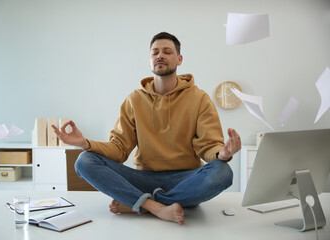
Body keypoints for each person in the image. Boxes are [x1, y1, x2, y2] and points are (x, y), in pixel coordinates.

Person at [52, 32, 241, 225]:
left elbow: (209, 146)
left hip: (185, 179)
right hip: (142, 178)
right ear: (150, 60)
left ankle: (141, 203)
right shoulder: (134, 100)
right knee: (85, 160)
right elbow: (119, 149)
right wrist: (85, 143)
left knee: (223, 171)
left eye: (167, 51)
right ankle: (158, 207)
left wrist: (222, 154)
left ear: (179, 59)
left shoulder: (200, 99)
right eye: (155, 52)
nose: (160, 56)